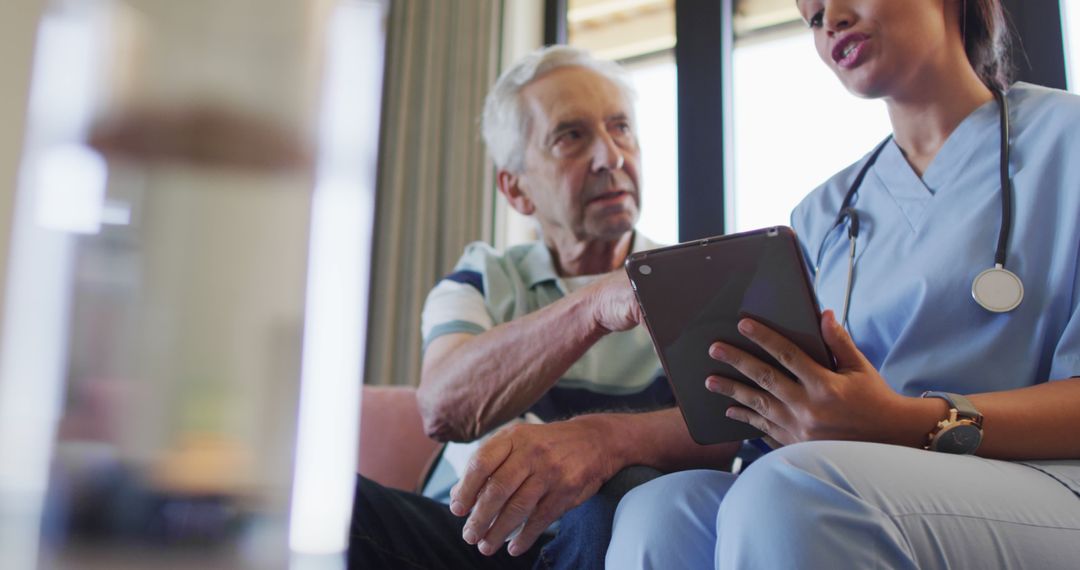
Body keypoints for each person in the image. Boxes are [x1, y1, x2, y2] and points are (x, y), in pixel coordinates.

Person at [606, 0, 1080, 567]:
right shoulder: (823, 215)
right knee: (660, 510)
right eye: (812, 16)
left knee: (792, 492)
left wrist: (899, 423)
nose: (830, 21)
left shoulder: (1068, 142)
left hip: (1052, 480)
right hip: (853, 482)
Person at [349, 46, 737, 570]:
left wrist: (604, 443)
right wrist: (594, 304)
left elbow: (730, 432)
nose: (612, 158)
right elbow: (443, 406)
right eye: (571, 136)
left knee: (614, 496)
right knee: (327, 498)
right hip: (465, 537)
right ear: (515, 189)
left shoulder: (690, 281)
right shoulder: (483, 276)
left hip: (608, 534)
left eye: (621, 128)